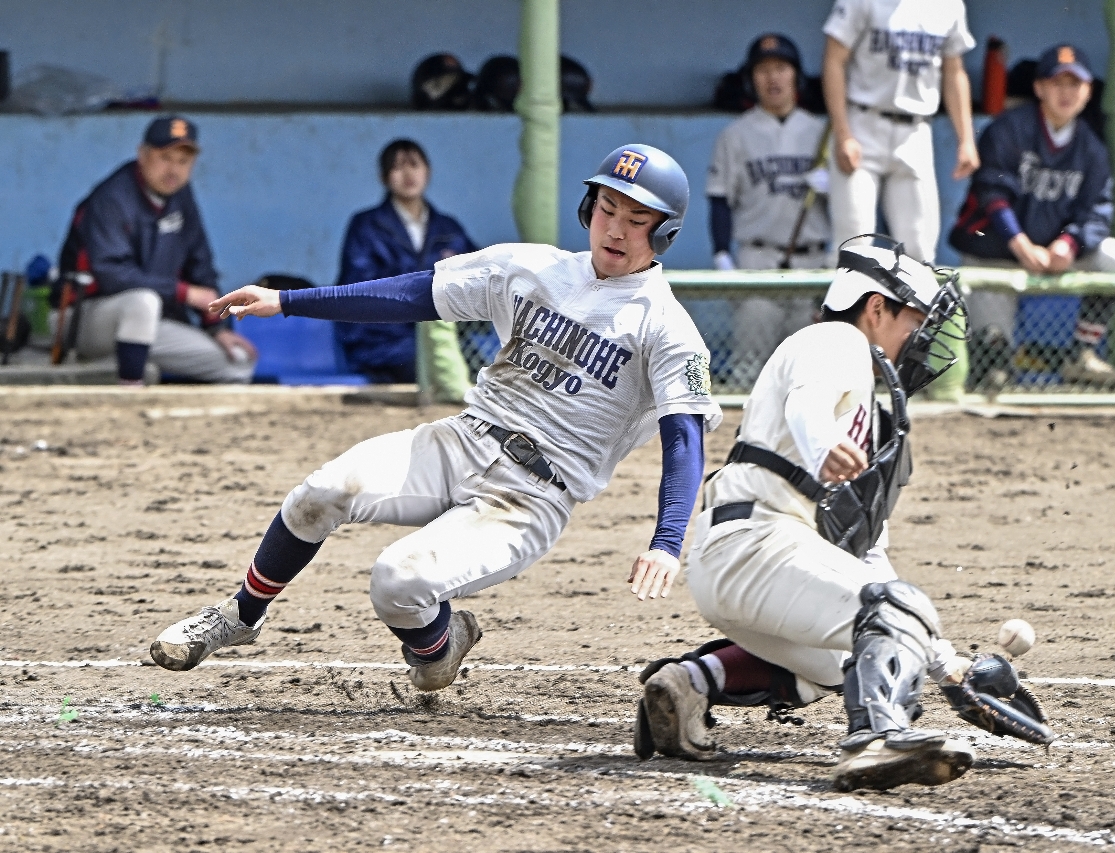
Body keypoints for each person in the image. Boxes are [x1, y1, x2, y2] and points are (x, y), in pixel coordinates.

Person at [148, 145, 723, 698]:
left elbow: (684, 438)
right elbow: (412, 294)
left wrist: (667, 542)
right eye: (607, 209)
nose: (616, 229)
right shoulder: (531, 268)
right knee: (320, 493)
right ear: (588, 209)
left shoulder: (666, 326)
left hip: (531, 495)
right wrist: (290, 301)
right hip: (463, 439)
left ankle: (438, 649)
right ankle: (239, 615)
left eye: (637, 218)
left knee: (397, 582)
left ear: (665, 231)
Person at [632, 238, 1052, 790]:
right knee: (900, 614)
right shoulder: (836, 339)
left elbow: (865, 559)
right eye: (915, 320)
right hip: (756, 545)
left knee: (857, 655)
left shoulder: (869, 406)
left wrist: (949, 669)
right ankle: (876, 741)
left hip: (749, 563)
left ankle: (691, 683)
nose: (919, 338)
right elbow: (808, 405)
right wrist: (822, 443)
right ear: (877, 308)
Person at [950, 44, 1115, 389]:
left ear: (1087, 91)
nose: (1066, 93)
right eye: (1057, 83)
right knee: (994, 369)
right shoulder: (1008, 130)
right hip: (997, 256)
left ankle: (1083, 354)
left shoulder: (1091, 148)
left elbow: (1096, 211)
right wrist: (1020, 245)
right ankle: (995, 358)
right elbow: (992, 193)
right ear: (1039, 88)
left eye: (1074, 84)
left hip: (1054, 256)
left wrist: (1068, 244)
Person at [57, 115, 256, 384]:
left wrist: (216, 328)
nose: (173, 170)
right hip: (84, 320)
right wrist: (182, 293)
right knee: (142, 302)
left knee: (237, 363)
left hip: (150, 325)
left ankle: (130, 360)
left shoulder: (180, 198)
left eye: (183, 161)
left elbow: (200, 265)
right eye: (165, 157)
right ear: (142, 154)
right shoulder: (112, 198)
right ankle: (130, 392)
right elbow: (112, 275)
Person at [707, 33, 831, 386]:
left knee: (809, 377)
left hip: (811, 265)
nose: (772, 78)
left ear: (796, 76)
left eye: (781, 68)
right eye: (762, 70)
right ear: (751, 79)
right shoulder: (735, 135)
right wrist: (721, 255)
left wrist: (835, 187)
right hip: (756, 265)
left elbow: (851, 204)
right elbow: (719, 199)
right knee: (751, 375)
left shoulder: (822, 131)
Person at [821, 0, 980, 265]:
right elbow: (834, 61)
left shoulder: (949, 5)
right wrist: (843, 133)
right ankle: (844, 307)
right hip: (863, 122)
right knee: (854, 245)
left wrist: (966, 139)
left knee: (919, 248)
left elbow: (954, 71)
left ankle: (910, 308)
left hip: (915, 130)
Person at [336, 139, 476, 397]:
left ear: (428, 172)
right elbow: (359, 290)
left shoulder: (448, 228)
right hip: (383, 341)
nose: (408, 174)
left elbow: (477, 281)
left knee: (486, 366)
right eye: (398, 167)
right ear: (383, 177)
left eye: (414, 164)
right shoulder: (366, 226)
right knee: (432, 364)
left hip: (444, 339)